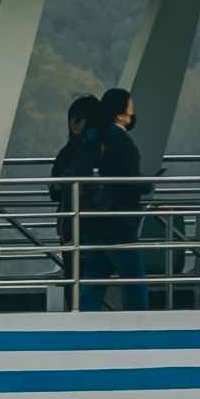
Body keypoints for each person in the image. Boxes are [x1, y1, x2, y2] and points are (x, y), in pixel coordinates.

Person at [81, 86, 150, 313]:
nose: (132, 114)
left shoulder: (90, 138)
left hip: (91, 219)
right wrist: (148, 184)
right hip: (118, 221)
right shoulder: (122, 142)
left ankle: (84, 320)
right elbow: (129, 179)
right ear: (120, 114)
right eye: (130, 109)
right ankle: (137, 322)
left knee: (94, 276)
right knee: (134, 279)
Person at [48, 94, 102, 308]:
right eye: (72, 117)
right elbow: (54, 192)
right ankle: (80, 312)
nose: (75, 123)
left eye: (81, 118)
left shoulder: (74, 151)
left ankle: (80, 312)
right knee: (74, 272)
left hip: (84, 221)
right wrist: (58, 185)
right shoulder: (68, 152)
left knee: (82, 272)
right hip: (71, 223)